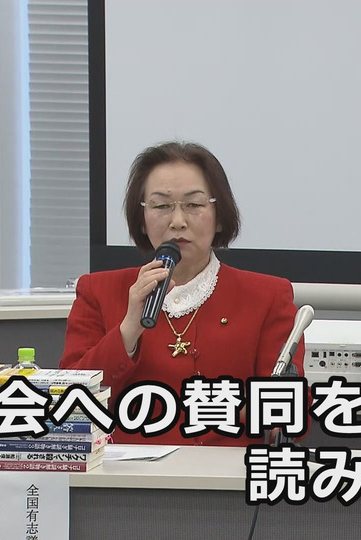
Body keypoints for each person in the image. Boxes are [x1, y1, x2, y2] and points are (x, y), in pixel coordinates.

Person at [60, 141, 305, 446]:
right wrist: (128, 330)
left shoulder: (267, 296)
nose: (177, 221)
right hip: (126, 476)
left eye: (194, 205)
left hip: (226, 474)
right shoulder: (97, 291)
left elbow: (291, 415)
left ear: (219, 215)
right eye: (161, 206)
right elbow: (69, 404)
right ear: (141, 218)